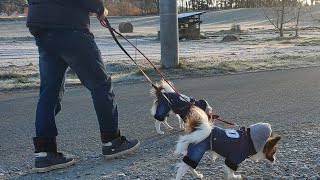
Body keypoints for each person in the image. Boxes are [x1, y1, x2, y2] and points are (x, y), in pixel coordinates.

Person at [26, 0, 140, 172]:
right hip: (70, 27)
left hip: (42, 29)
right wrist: (99, 8)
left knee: (49, 92)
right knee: (101, 85)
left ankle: (45, 153)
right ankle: (112, 141)